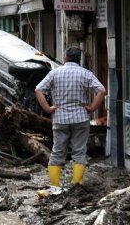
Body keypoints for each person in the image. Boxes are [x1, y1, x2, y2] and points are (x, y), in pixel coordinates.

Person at [35, 47, 106, 189]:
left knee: (58, 151)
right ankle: (77, 183)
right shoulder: (86, 74)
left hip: (60, 119)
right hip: (80, 118)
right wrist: (92, 108)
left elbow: (38, 89)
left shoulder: (54, 73)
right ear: (78, 58)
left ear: (65, 57)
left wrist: (48, 109)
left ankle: (55, 185)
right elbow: (102, 90)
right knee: (79, 151)